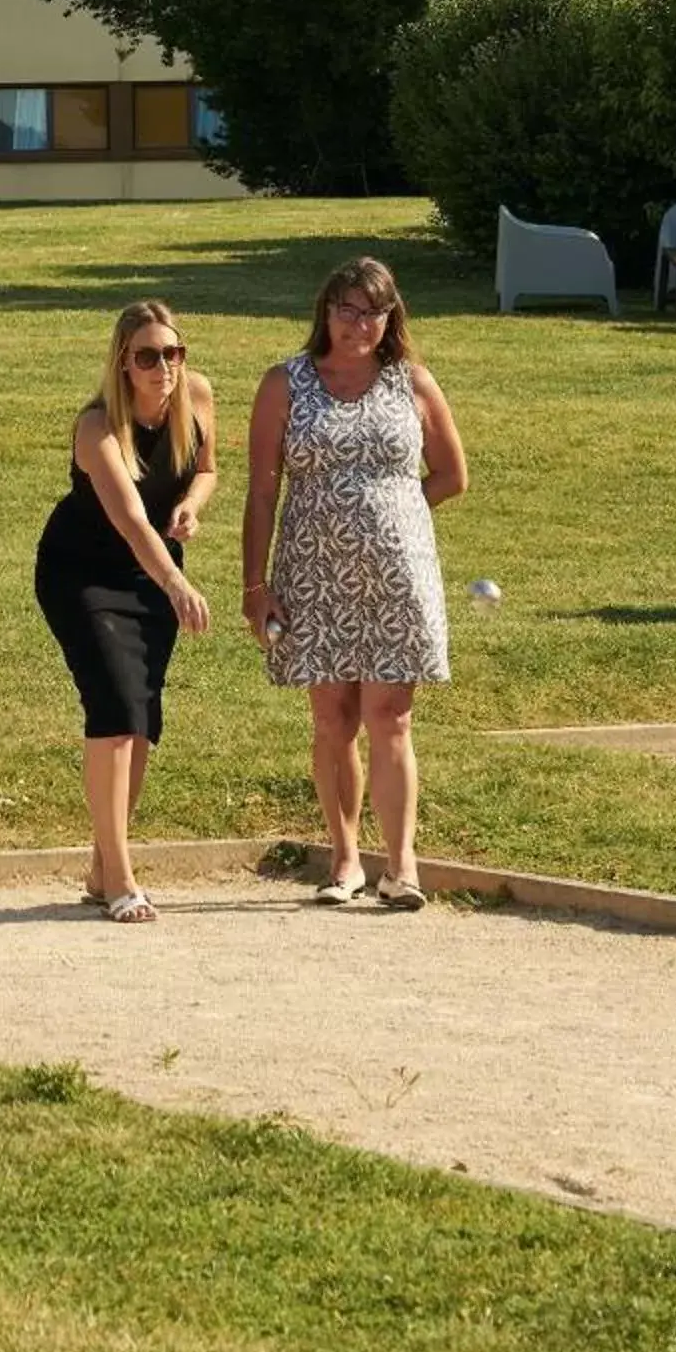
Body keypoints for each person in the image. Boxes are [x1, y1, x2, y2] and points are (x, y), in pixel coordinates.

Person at [242, 257, 466, 912]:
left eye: (372, 311)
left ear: (391, 317)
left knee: (390, 716)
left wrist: (395, 513)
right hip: (311, 575)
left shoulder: (413, 383)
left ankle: (402, 866)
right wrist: (255, 586)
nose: (358, 323)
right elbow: (262, 492)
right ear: (326, 311)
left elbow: (452, 475)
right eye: (346, 309)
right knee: (332, 721)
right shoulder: (285, 383)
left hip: (397, 577)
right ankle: (343, 861)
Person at [33, 301, 215, 926]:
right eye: (147, 356)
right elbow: (132, 519)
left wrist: (192, 504)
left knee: (138, 718)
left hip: (151, 574)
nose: (163, 366)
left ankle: (100, 865)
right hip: (83, 573)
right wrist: (176, 584)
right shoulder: (98, 428)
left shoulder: (196, 396)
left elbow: (208, 469)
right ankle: (121, 878)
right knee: (112, 706)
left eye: (172, 352)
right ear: (122, 363)